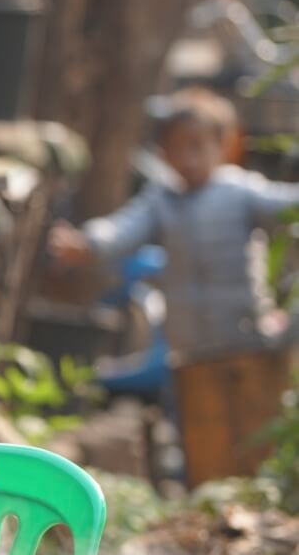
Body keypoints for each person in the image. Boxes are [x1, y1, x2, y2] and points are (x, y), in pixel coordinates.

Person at [48, 87, 299, 358]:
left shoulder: (240, 191)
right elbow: (123, 228)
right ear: (164, 153)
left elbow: (285, 205)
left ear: (223, 145)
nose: (188, 159)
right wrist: (88, 243)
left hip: (246, 340)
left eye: (197, 146)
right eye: (177, 148)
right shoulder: (161, 200)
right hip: (187, 348)